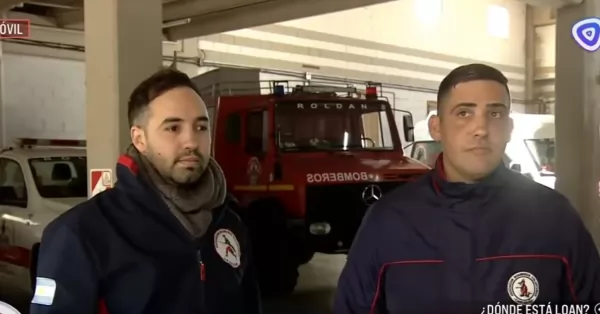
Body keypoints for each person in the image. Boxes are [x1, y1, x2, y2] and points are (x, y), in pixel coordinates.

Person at [333, 63, 600, 313]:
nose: (481, 128)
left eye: (495, 113)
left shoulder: (555, 218)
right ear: (437, 128)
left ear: (509, 128)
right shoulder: (388, 221)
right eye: (464, 113)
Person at [30, 69, 261, 314]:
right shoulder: (81, 233)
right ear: (139, 139)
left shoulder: (229, 223)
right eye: (173, 128)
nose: (192, 141)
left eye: (201, 128)